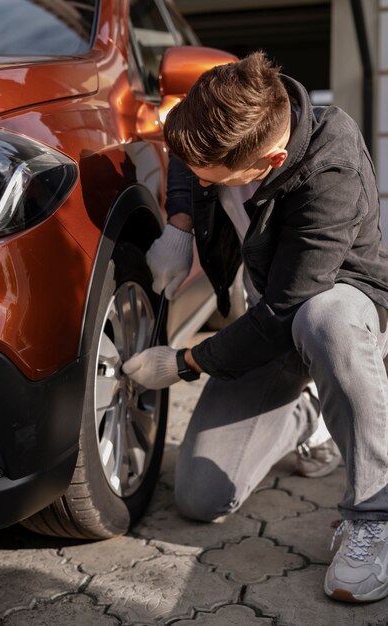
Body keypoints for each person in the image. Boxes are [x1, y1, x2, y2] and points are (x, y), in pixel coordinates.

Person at [123, 51, 388, 603]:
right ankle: (309, 419)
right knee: (200, 500)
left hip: (330, 308)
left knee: (325, 318)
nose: (196, 177)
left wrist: (184, 363)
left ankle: (373, 515)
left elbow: (285, 311)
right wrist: (179, 221)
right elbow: (185, 150)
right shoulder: (227, 112)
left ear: (270, 161)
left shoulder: (329, 168)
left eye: (208, 178)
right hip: (268, 314)